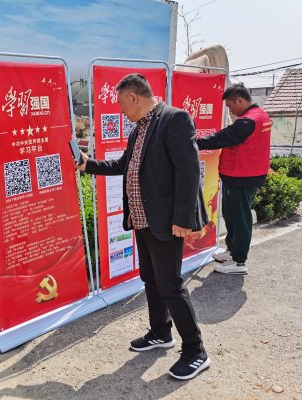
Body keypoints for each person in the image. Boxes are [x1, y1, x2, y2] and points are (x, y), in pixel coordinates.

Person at [77, 73, 210, 380]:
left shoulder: (175, 119)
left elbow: (189, 171)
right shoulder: (139, 129)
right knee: (150, 278)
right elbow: (124, 165)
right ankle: (160, 332)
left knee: (171, 285)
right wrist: (88, 164)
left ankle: (196, 351)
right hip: (142, 219)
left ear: (134, 97)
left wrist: (183, 219)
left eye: (121, 103)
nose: (121, 110)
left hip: (167, 221)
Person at [197, 83, 271, 275]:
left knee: (239, 219)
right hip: (246, 174)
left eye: (230, 106)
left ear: (240, 100)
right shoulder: (261, 115)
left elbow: (223, 138)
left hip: (241, 176)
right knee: (232, 215)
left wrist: (194, 142)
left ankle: (238, 262)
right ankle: (232, 251)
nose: (230, 110)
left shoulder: (248, 121)